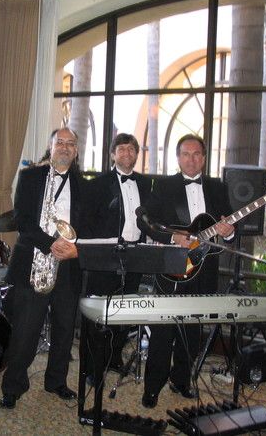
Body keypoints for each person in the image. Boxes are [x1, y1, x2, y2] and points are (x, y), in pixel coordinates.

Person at [139, 134, 235, 409]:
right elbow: (146, 221)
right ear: (178, 158)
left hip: (205, 268)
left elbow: (229, 226)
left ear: (203, 158)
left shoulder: (217, 187)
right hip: (173, 267)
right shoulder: (164, 185)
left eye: (196, 154)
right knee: (164, 329)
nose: (191, 159)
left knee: (193, 329)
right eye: (185, 154)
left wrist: (229, 231)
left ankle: (180, 380)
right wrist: (172, 237)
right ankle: (152, 387)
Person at [0, 128, 86, 409]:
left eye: (70, 143)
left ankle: (56, 381)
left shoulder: (84, 184)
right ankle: (13, 386)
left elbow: (89, 225)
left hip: (69, 265)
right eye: (60, 142)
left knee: (64, 329)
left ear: (76, 150)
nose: (65, 147)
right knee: (25, 330)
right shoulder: (30, 177)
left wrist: (74, 248)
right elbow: (22, 220)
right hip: (33, 261)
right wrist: (51, 244)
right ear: (51, 146)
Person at [84, 133, 152, 378]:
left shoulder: (145, 183)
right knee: (99, 313)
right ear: (113, 154)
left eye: (131, 149)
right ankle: (93, 368)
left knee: (124, 310)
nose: (126, 153)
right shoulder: (98, 183)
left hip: (135, 255)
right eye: (121, 149)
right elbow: (88, 222)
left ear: (137, 154)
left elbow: (150, 219)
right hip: (107, 255)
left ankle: (114, 358)